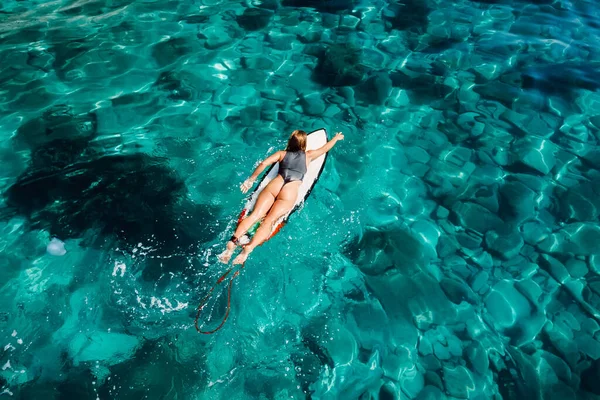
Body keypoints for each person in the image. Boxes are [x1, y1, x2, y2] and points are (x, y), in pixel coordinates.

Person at [218, 129, 344, 265]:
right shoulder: (309, 155)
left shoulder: (281, 154)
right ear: (304, 144)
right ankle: (249, 248)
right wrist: (335, 138)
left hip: (275, 185)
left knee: (255, 215)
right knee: (269, 221)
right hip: (289, 190)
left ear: (290, 142)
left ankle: (232, 242)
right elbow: (325, 148)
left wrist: (251, 179)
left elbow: (263, 164)